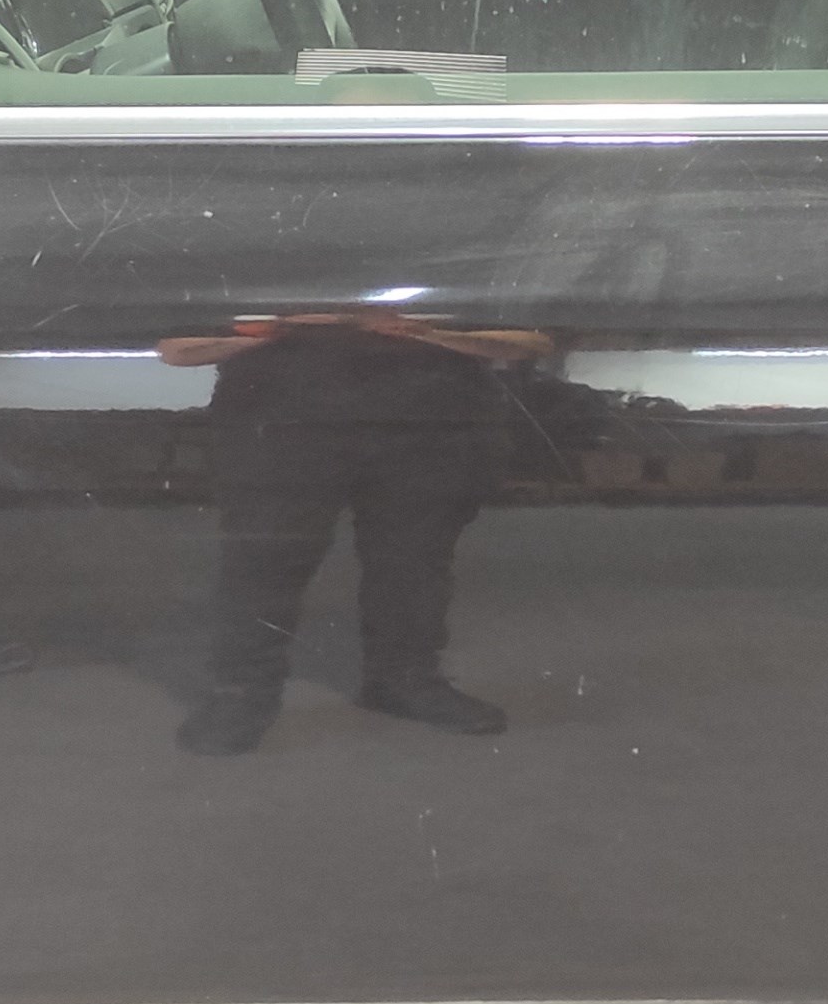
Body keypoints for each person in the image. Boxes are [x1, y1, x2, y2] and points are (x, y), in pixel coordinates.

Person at [154, 307, 552, 757]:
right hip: (281, 422)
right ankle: (242, 693)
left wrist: (422, 330)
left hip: (430, 424)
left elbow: (530, 341)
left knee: (414, 563)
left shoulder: (448, 276)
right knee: (264, 562)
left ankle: (405, 681)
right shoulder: (268, 275)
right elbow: (177, 350)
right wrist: (289, 327)